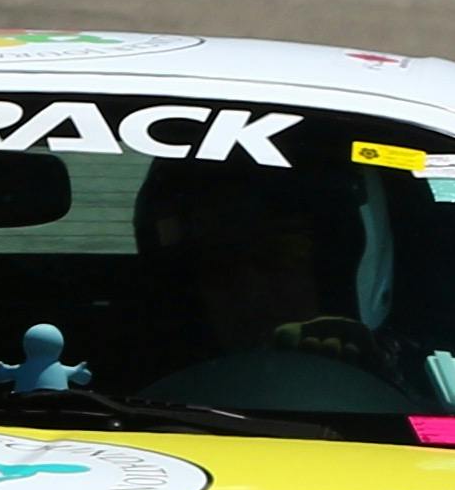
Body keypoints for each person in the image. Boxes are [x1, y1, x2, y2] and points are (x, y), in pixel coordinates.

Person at [128, 159, 400, 412]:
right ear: (187, 288)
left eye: (277, 261)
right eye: (220, 268)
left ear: (332, 274)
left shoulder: (404, 373)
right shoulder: (110, 393)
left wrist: (369, 375)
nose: (251, 292)